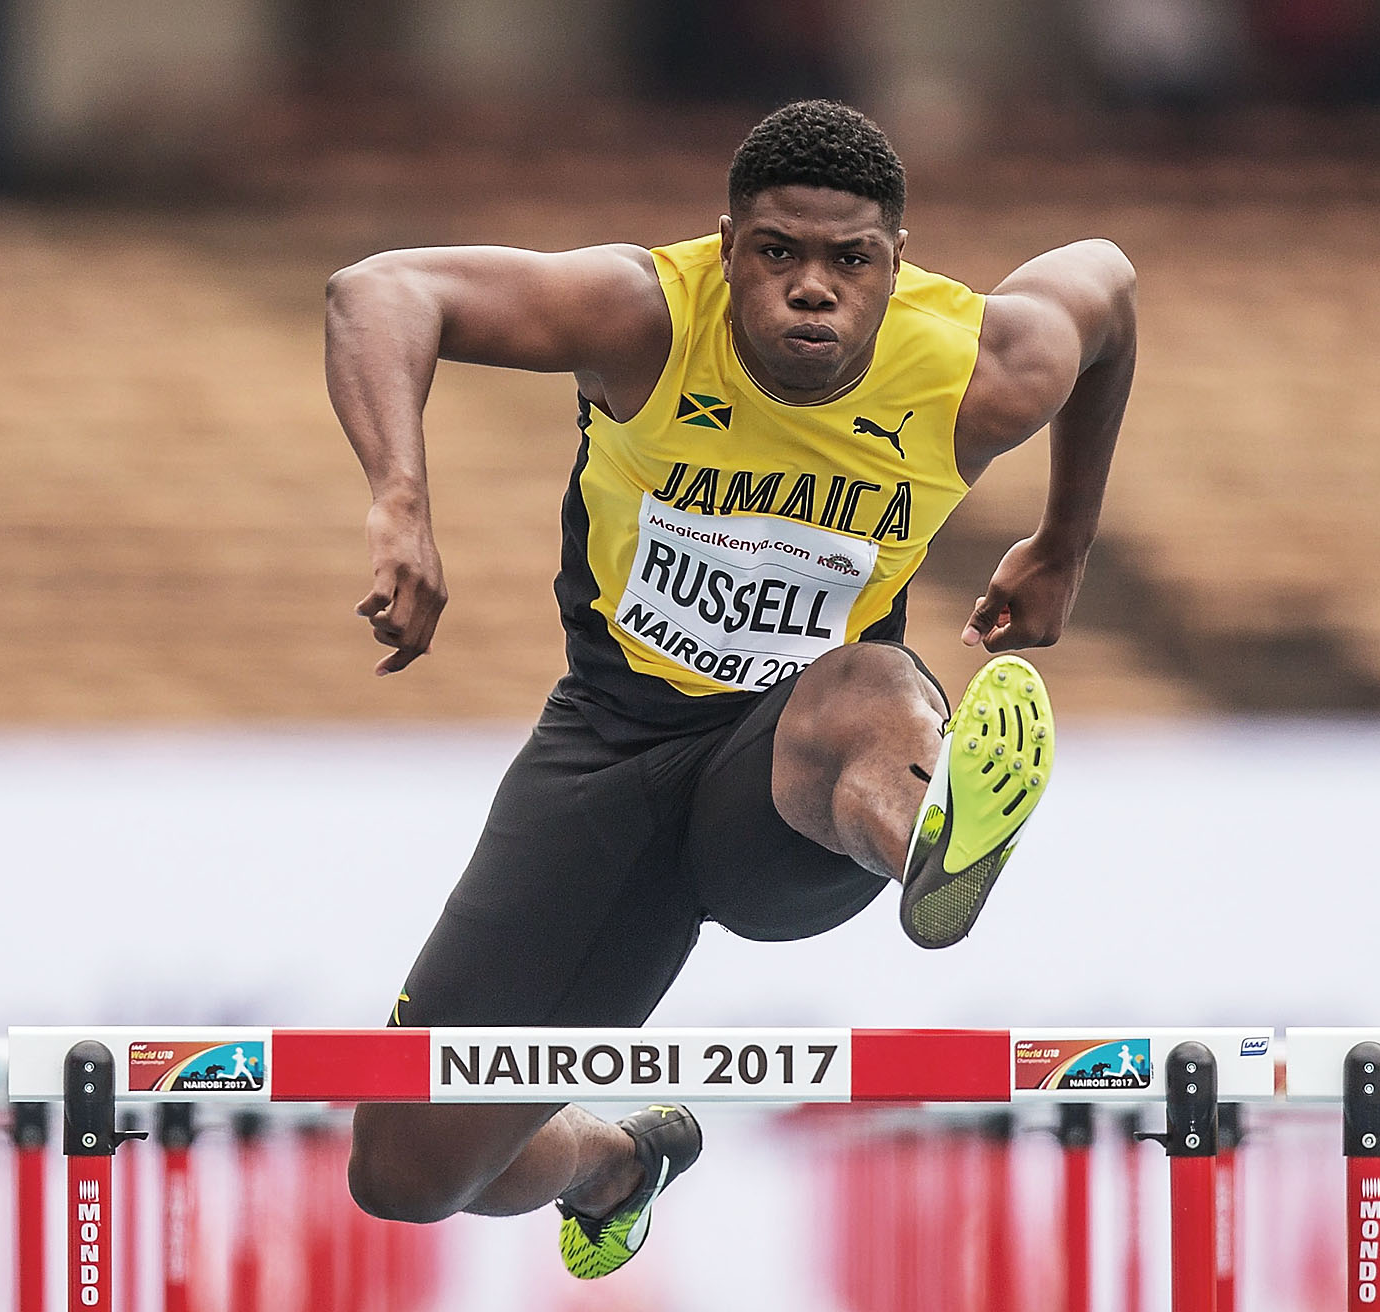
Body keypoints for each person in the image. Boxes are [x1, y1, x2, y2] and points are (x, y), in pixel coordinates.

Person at [324, 99, 1135, 1279]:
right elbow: (379, 289)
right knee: (405, 1173)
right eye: (777, 253)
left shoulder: (979, 362)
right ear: (725, 246)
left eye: (850, 261)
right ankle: (618, 1159)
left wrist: (1065, 541)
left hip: (788, 783)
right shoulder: (645, 314)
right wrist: (399, 499)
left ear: (894, 263)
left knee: (864, 684)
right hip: (608, 752)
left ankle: (931, 840)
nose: (812, 288)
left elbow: (1107, 284)